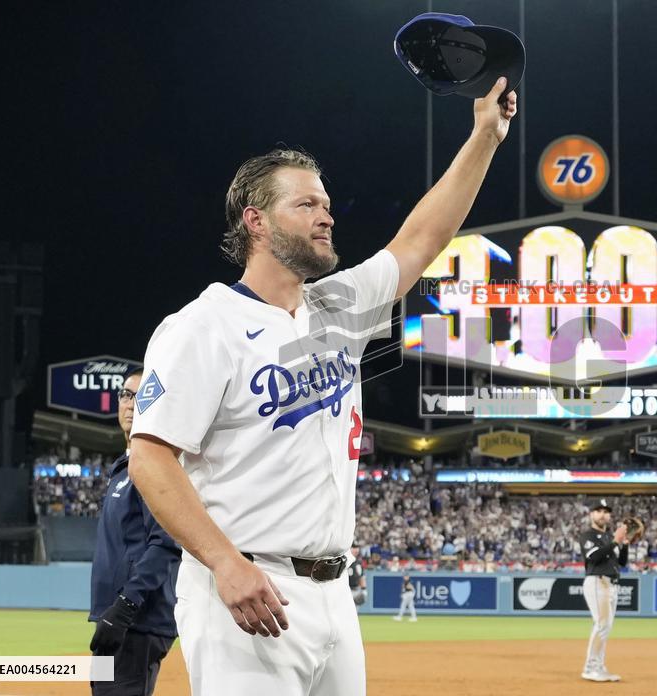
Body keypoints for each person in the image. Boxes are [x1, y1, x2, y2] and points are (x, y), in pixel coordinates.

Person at [128, 78, 518, 696]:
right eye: (306, 204)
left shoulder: (340, 306)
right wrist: (224, 563)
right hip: (246, 592)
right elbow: (150, 455)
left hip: (336, 596)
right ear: (256, 221)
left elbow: (424, 237)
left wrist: (484, 137)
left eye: (326, 202)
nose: (327, 214)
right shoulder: (203, 326)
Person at [88, 368, 181, 695]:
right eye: (126, 395)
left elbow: (166, 544)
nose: (130, 403)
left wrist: (125, 607)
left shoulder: (156, 467)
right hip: (115, 618)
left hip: (135, 622)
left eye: (143, 395)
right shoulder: (123, 470)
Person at [577, 499, 628, 683]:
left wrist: (625, 544)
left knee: (605, 627)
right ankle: (590, 668)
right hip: (597, 581)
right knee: (601, 625)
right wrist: (615, 541)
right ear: (591, 514)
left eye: (606, 511)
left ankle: (598, 665)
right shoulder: (587, 535)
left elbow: (621, 563)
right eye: (598, 511)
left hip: (611, 583)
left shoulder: (608, 538)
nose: (602, 514)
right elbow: (594, 557)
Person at [348, 542, 367, 607]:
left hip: (356, 589)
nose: (356, 550)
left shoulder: (358, 563)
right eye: (353, 547)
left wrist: (364, 589)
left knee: (355, 613)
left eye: (357, 548)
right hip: (346, 590)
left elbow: (361, 577)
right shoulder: (345, 561)